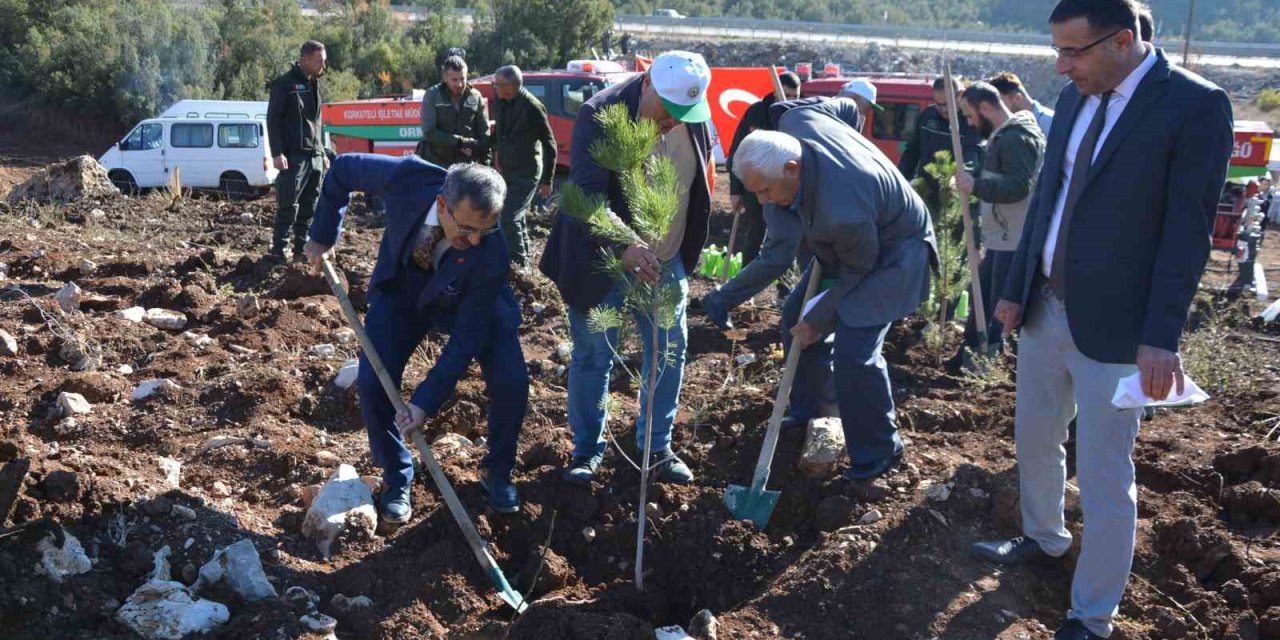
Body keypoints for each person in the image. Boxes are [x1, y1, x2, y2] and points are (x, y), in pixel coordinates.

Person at [971, 1, 1234, 638]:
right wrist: (1015, 289)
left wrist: (1160, 337)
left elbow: (1187, 233)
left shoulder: (1194, 105)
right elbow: (1047, 202)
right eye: (1058, 52)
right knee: (1035, 438)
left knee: (1104, 472)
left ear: (1121, 41)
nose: (1062, 67)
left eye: (1073, 52)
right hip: (1045, 307)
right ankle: (1045, 539)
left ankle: (1092, 616)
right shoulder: (1076, 98)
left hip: (1119, 328)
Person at [304, 157, 528, 520]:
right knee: (374, 382)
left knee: (512, 380)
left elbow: (465, 339)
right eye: (466, 228)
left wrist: (424, 402)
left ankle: (498, 472)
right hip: (404, 291)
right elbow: (342, 170)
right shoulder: (409, 178)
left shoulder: (491, 251)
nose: (474, 239)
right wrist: (322, 235)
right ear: (442, 204)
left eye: (484, 230)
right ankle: (397, 476)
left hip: (470, 300)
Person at [540, 50, 715, 486]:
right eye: (667, 111)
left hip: (666, 260)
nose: (673, 121)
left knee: (669, 352)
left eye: (683, 114)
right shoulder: (601, 114)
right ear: (648, 82)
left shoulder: (691, 112)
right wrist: (626, 245)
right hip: (603, 260)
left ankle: (656, 447)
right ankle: (587, 450)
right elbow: (587, 195)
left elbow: (700, 182)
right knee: (594, 355)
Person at [733, 111, 938, 481]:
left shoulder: (842, 212)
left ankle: (879, 450)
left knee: (854, 350)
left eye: (765, 190)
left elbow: (857, 271)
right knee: (795, 315)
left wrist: (820, 320)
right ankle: (813, 409)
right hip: (852, 243)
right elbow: (839, 107)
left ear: (792, 168)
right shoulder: (797, 120)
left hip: (894, 251)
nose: (762, 201)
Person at [700, 96, 863, 331]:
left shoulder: (839, 130)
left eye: (796, 93)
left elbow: (851, 110)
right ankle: (720, 299)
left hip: (810, 198)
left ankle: (808, 317)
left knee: (815, 259)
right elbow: (780, 110)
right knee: (779, 255)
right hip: (780, 190)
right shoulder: (798, 120)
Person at [951, 81, 1046, 367]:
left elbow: (1018, 186)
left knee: (997, 306)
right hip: (1000, 236)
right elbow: (998, 177)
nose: (969, 123)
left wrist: (976, 186)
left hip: (1013, 237)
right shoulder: (1002, 136)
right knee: (981, 295)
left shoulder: (1016, 138)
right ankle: (968, 356)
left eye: (970, 116)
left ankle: (987, 365)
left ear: (985, 107)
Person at [724, 72, 801, 269]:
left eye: (795, 96)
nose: (790, 100)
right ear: (776, 91)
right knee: (754, 235)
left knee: (787, 237)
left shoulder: (799, 115)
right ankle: (747, 280)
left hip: (786, 187)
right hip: (757, 185)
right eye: (787, 95)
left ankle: (785, 283)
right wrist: (736, 190)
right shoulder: (756, 112)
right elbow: (737, 151)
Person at [266, 40, 327, 262]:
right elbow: (273, 119)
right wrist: (277, 153)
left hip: (314, 156)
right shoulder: (285, 84)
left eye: (324, 61)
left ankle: (300, 250)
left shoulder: (315, 84)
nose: (323, 65)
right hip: (293, 156)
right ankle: (279, 250)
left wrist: (322, 152)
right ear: (305, 59)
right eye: (319, 61)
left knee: (310, 206)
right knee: (288, 204)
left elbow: (317, 122)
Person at [491, 65, 557, 270]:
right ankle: (525, 262)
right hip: (508, 170)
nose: (494, 87)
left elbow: (550, 144)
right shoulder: (501, 102)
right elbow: (499, 134)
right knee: (516, 217)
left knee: (509, 217)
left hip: (527, 172)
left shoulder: (532, 107)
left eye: (497, 84)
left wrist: (547, 180)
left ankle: (518, 266)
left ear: (510, 86)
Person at [899, 77, 982, 215]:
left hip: (956, 197)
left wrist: (961, 176)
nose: (944, 110)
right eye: (938, 104)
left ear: (961, 95)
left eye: (947, 104)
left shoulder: (971, 121)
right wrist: (900, 179)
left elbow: (973, 153)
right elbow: (912, 151)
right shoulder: (927, 115)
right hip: (925, 194)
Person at [417, 56, 491, 167]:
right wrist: (460, 142)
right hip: (436, 162)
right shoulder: (432, 95)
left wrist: (485, 160)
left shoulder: (475, 96)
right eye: (454, 80)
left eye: (462, 79)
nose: (459, 84)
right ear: (445, 78)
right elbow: (429, 132)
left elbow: (484, 133)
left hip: (466, 164)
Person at [988, 72, 1056, 136]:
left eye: (1001, 103)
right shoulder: (1011, 127)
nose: (999, 108)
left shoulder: (1051, 122)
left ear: (1018, 98)